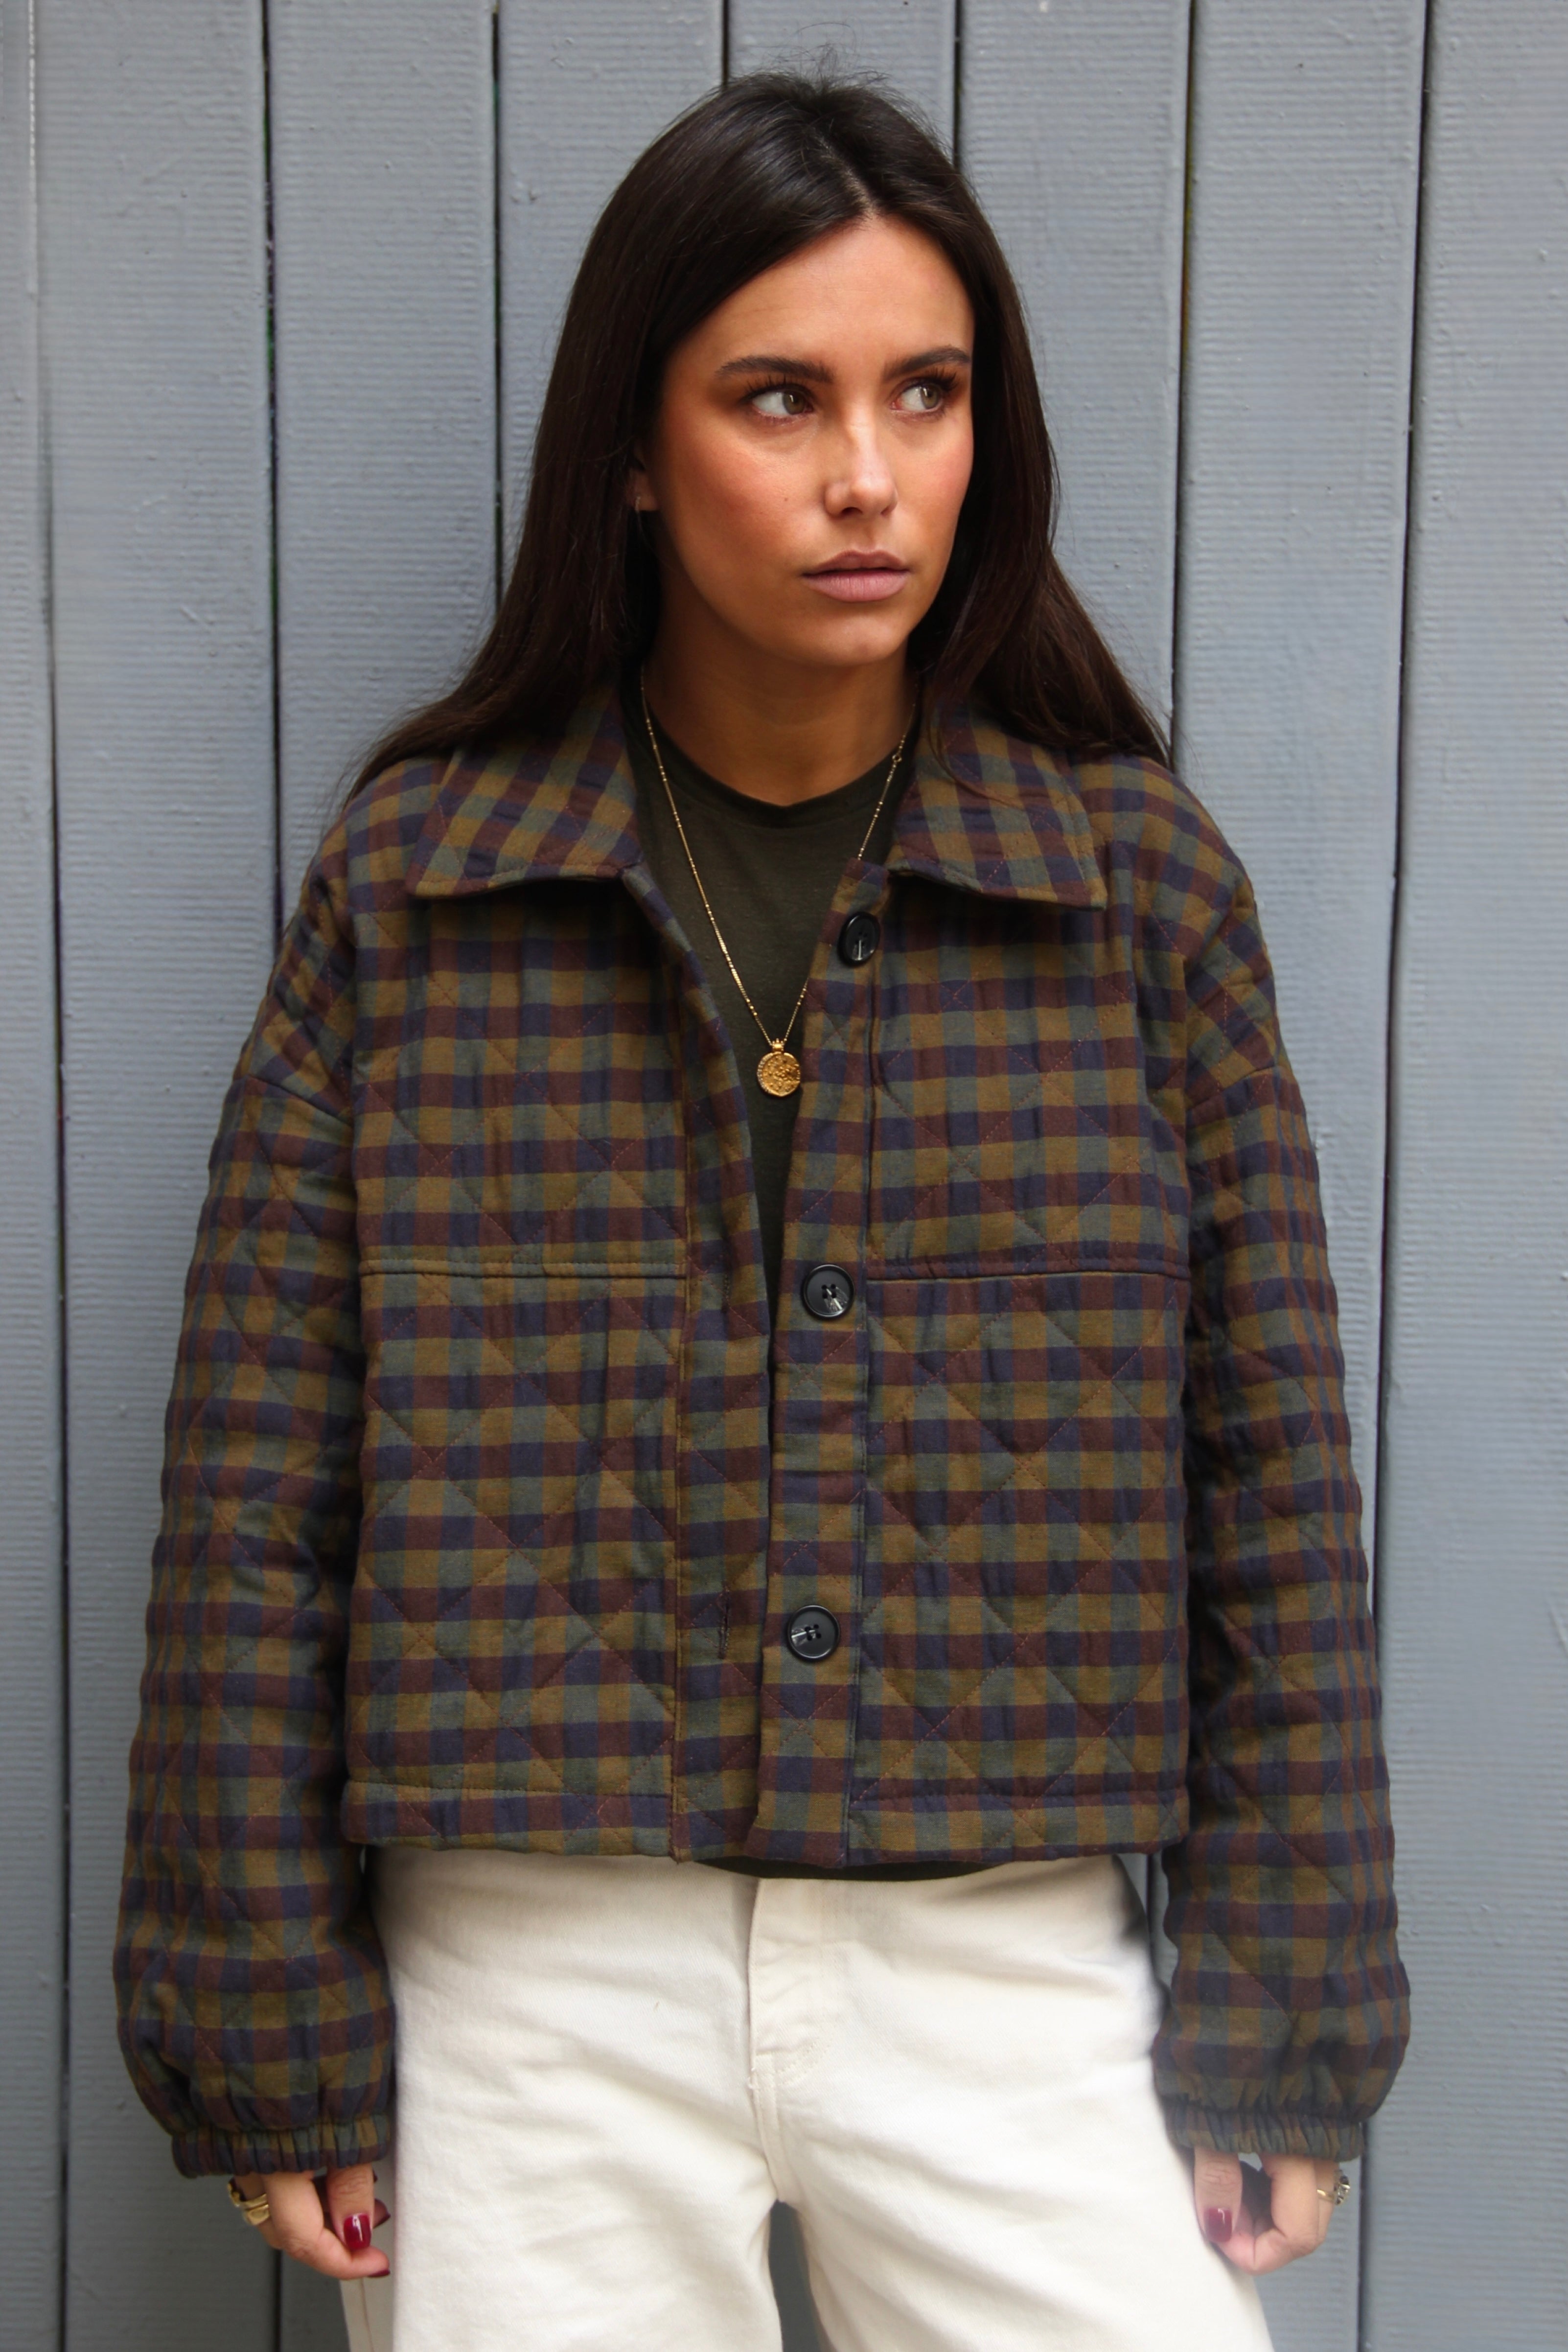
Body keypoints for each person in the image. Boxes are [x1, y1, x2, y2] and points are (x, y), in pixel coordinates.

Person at [115, 70, 1409, 2352]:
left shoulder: (1133, 891)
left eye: (928, 394)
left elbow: (1273, 1480)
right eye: (779, 397)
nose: (866, 475)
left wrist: (1284, 2002)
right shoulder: (422, 888)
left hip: (1005, 1955)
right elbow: (255, 1492)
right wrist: (258, 2006)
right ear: (634, 443)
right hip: (533, 1979)